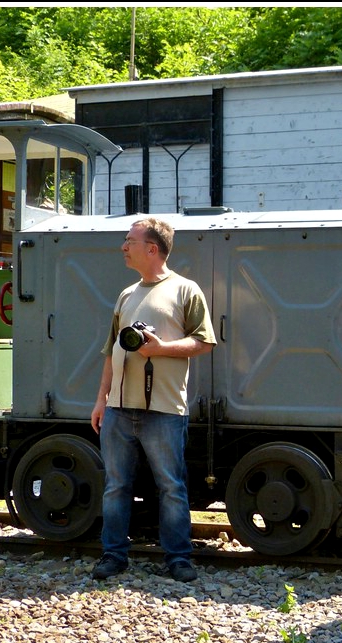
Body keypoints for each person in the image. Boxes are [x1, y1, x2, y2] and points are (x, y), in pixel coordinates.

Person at [90, 217, 216, 583]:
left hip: (164, 411)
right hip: (117, 410)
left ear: (152, 248)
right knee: (116, 486)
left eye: (130, 241)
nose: (123, 247)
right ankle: (113, 556)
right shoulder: (126, 295)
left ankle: (178, 559)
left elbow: (204, 342)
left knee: (171, 487)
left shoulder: (185, 290)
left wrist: (161, 348)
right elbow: (111, 352)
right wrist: (101, 401)